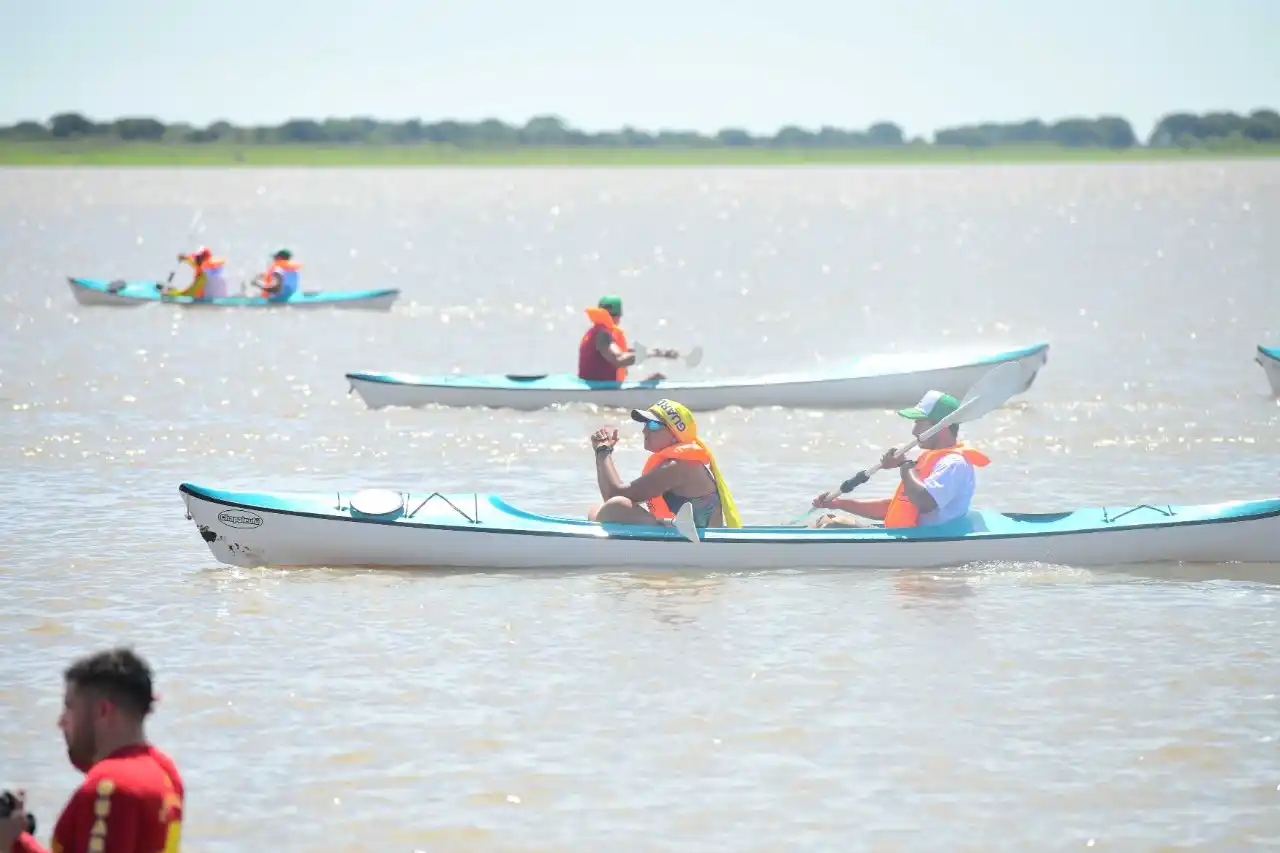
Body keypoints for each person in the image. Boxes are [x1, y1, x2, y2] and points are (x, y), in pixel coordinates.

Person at [2, 648, 185, 853]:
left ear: (103, 711)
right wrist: (15, 842)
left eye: (69, 707)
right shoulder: (165, 771)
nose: (61, 722)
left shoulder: (109, 785)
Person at [810, 389, 990, 529]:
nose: (914, 431)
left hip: (927, 540)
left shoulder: (953, 464)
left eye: (919, 422)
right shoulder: (929, 459)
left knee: (831, 525)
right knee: (827, 520)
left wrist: (904, 464)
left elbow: (925, 502)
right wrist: (839, 504)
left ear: (940, 427)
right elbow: (892, 508)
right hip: (911, 535)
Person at [588, 397, 743, 529]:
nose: (644, 431)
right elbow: (612, 494)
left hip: (700, 545)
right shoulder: (676, 462)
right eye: (645, 424)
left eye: (653, 425)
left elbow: (614, 494)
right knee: (598, 510)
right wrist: (601, 452)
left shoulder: (679, 466)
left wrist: (603, 451)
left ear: (676, 435)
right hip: (684, 537)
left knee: (617, 506)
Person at [576, 296, 675, 383]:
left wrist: (658, 352)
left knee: (654, 378)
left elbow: (621, 352)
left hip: (601, 387)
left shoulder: (595, 331)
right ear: (619, 316)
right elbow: (619, 358)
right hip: (601, 390)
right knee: (658, 378)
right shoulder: (602, 334)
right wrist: (651, 353)